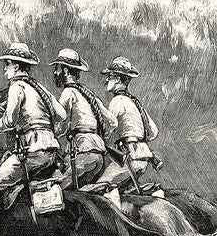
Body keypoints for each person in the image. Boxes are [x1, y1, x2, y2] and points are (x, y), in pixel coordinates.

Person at [0, 43, 67, 236]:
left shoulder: (16, 87)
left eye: (7, 64)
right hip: (51, 151)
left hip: (32, 152)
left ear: (17, 67)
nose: (5, 69)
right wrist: (47, 129)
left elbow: (9, 122)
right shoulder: (41, 88)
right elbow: (62, 116)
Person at [91, 57, 161, 199]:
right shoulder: (135, 102)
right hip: (143, 159)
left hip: (128, 159)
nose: (106, 81)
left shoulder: (117, 101)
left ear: (117, 79)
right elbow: (153, 132)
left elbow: (109, 126)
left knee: (96, 192)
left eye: (109, 77)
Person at [50, 48, 118, 189]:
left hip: (81, 156)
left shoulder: (68, 92)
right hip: (98, 157)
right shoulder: (89, 94)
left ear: (66, 71)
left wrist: (47, 133)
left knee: (55, 191)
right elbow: (113, 122)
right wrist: (100, 136)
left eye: (57, 68)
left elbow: (61, 127)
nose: (55, 72)